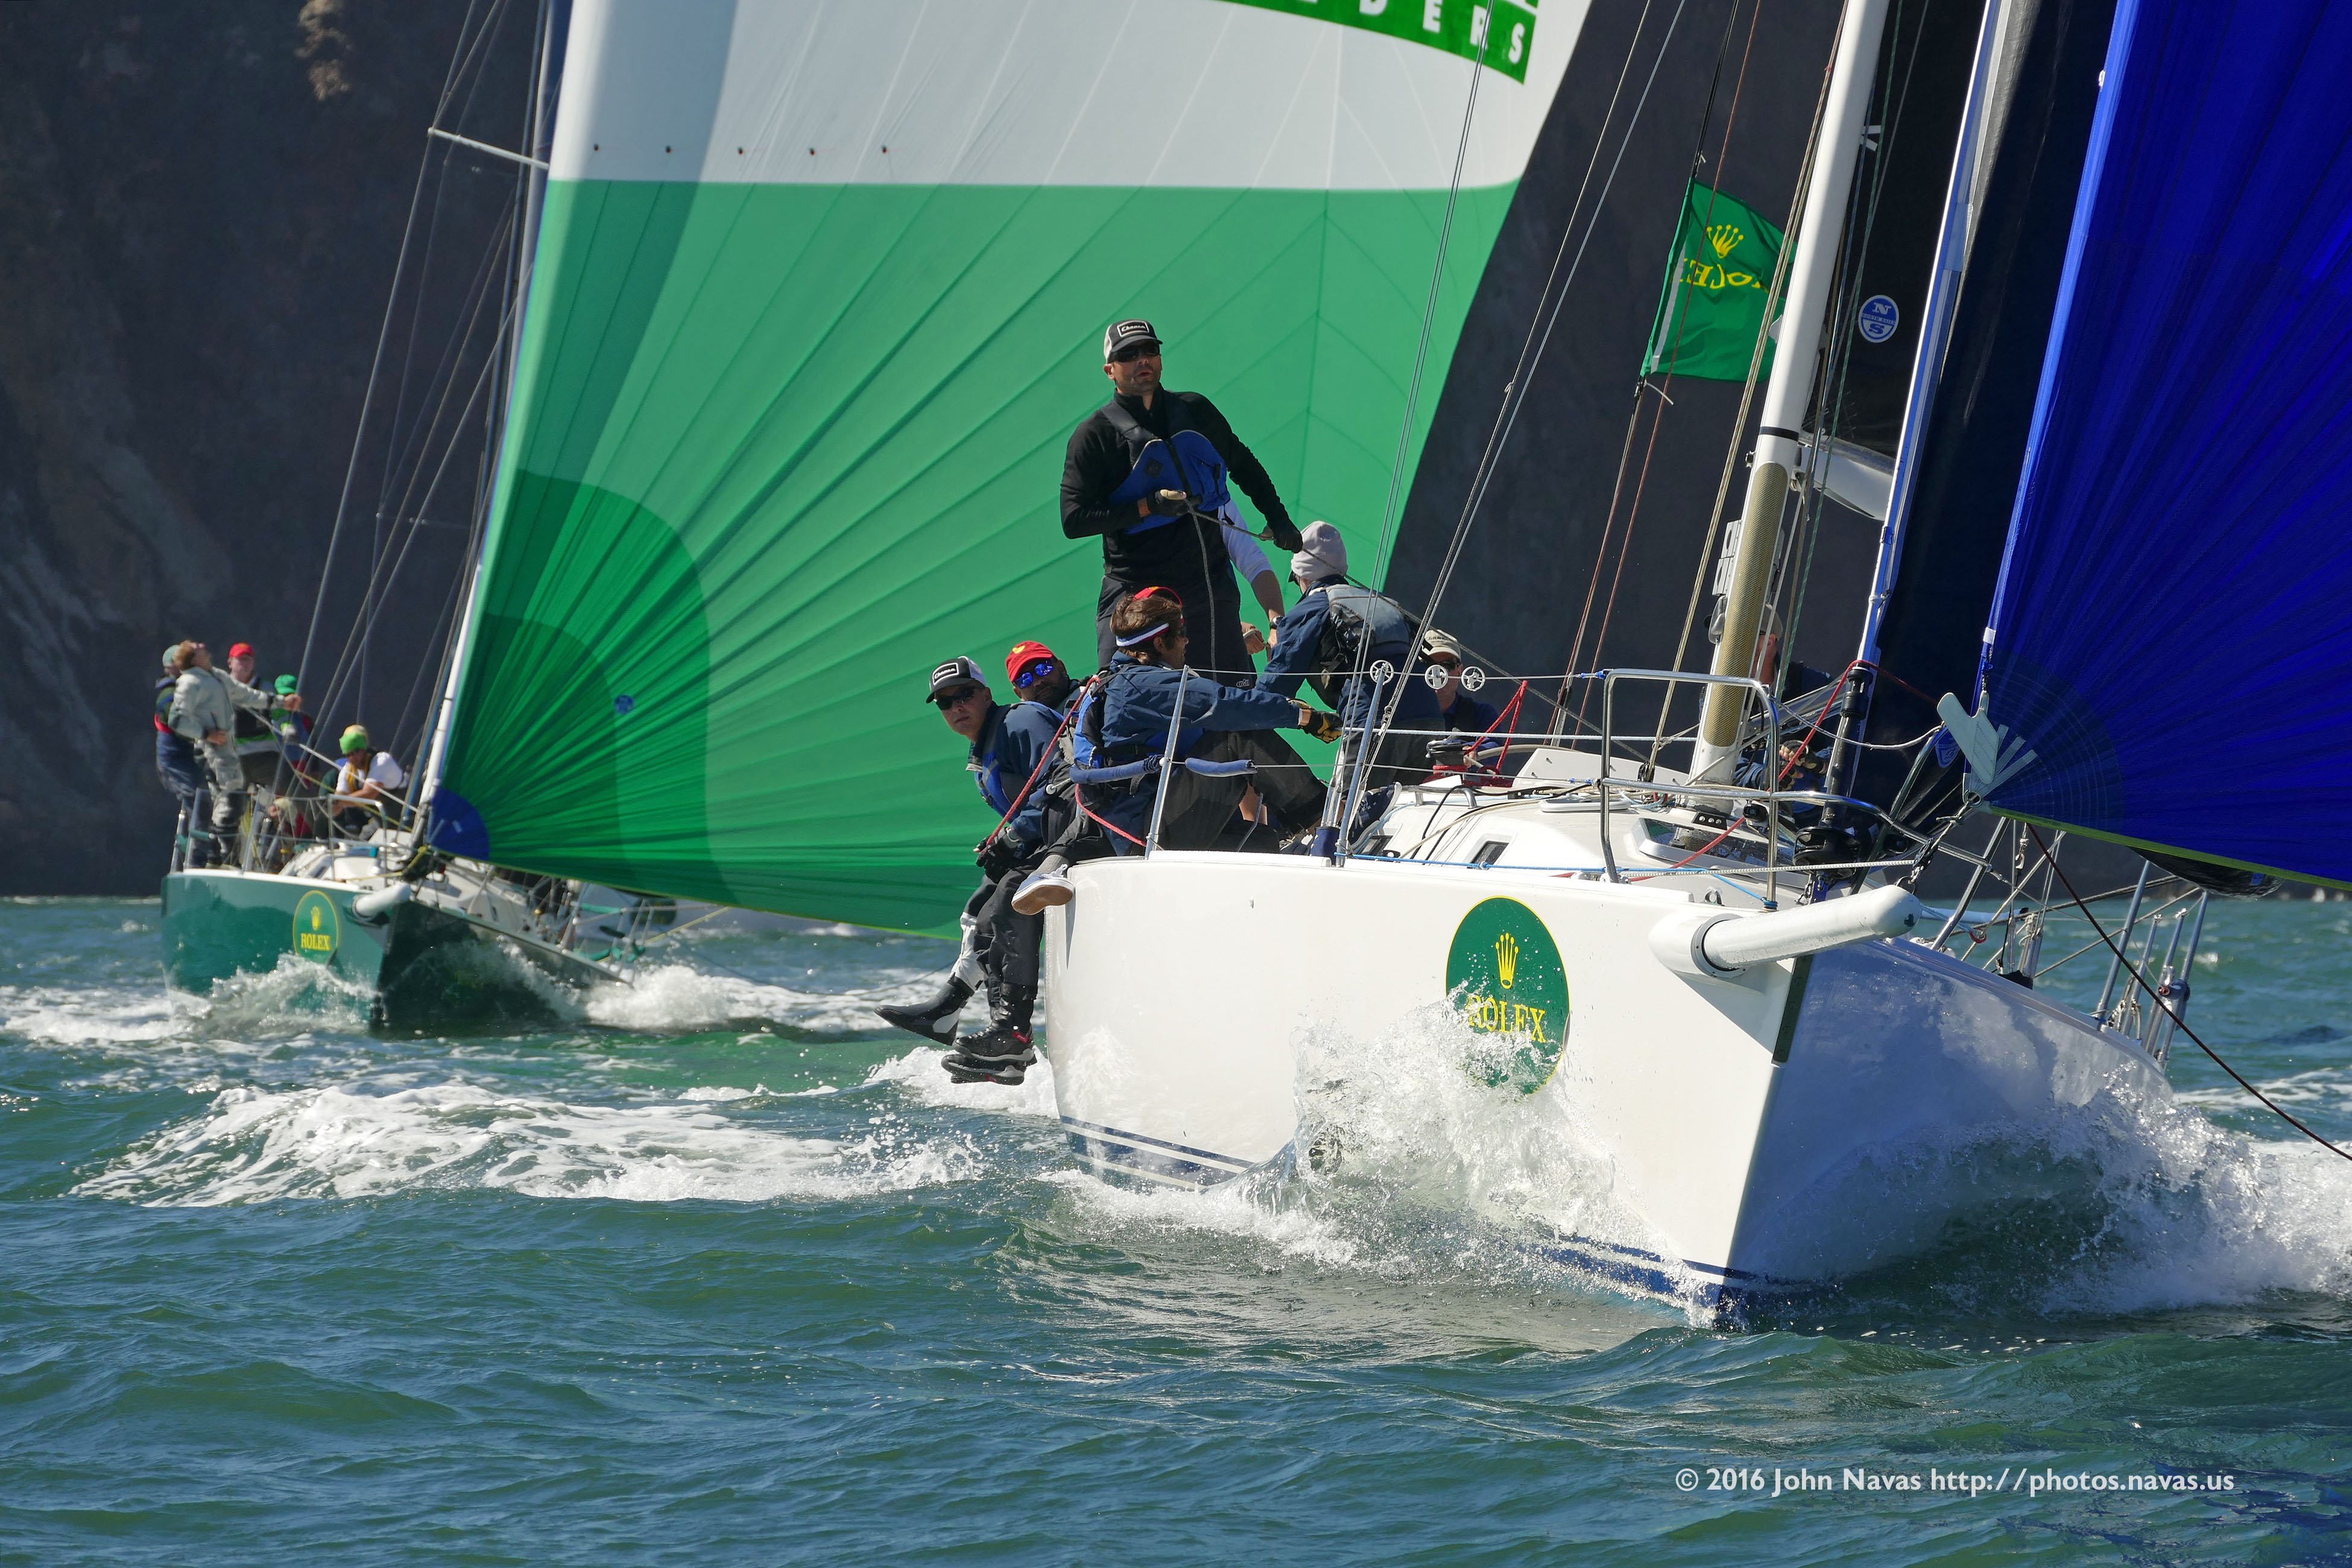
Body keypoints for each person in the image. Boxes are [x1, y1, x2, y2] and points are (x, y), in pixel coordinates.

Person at [1061, 318, 1303, 689]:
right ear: (1110, 370)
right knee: (1123, 696)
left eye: (1150, 350)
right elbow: (1073, 519)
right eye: (1129, 355)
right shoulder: (1094, 435)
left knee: (1232, 701)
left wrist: (1279, 519)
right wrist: (1147, 507)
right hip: (1137, 595)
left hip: (1207, 588)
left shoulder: (1195, 410)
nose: (1142, 360)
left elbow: (1243, 464)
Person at [874, 655, 1072, 1087]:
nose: (957, 706)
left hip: (1075, 838)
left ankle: (1012, 1033)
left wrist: (1015, 835)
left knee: (1009, 901)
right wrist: (1000, 841)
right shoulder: (983, 746)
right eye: (946, 703)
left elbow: (1064, 780)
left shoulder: (1021, 721)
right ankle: (955, 1014)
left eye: (964, 694)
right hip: (1042, 841)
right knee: (981, 909)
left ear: (986, 694)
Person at [1086, 590, 1336, 854]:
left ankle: (1321, 837)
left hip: (1151, 824)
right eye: (1180, 633)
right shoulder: (1142, 685)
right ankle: (1332, 826)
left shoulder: (1126, 680)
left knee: (1260, 842)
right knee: (1238, 738)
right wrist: (1303, 717)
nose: (1186, 641)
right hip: (1150, 830)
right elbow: (1224, 704)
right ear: (1159, 644)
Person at [1260, 521, 1443, 790]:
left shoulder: (1311, 609)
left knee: (1347, 808)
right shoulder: (1383, 601)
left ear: (1304, 577)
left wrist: (1242, 707)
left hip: (1373, 724)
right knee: (1412, 809)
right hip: (1430, 720)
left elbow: (1275, 688)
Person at [166, 640, 278, 867]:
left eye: (248, 659)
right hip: (213, 754)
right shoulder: (192, 682)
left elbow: (249, 696)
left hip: (238, 756)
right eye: (198, 647)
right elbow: (177, 720)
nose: (203, 645)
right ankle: (218, 855)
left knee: (232, 804)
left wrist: (281, 703)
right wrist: (206, 734)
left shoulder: (217, 678)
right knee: (225, 802)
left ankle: (224, 855)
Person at [153, 646, 209, 835]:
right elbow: (179, 725)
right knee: (196, 798)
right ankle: (199, 847)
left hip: (191, 757)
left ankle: (209, 842)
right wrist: (206, 736)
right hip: (175, 761)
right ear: (171, 668)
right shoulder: (168, 695)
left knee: (206, 796)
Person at [224, 643, 292, 789]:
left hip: (265, 754)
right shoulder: (221, 688)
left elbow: (278, 712)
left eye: (248, 659)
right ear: (230, 663)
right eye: (240, 659)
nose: (245, 663)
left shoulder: (265, 687)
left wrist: (287, 727)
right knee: (231, 798)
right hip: (234, 756)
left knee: (293, 787)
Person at [331, 726, 407, 835]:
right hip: (380, 823)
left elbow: (369, 794)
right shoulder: (347, 771)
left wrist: (339, 802)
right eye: (348, 754)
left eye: (356, 752)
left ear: (364, 749)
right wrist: (332, 807)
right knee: (362, 841)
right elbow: (338, 798)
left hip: (406, 822)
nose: (352, 758)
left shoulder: (382, 761)